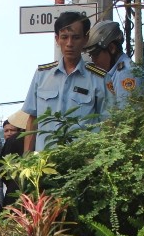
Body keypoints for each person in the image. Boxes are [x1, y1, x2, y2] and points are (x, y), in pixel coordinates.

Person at [21, 11, 109, 152]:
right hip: (45, 163)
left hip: (82, 163)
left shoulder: (99, 78)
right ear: (57, 39)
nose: (69, 44)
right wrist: (26, 158)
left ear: (85, 39)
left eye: (76, 38)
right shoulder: (42, 75)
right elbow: (33, 119)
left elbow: (107, 123)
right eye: (64, 37)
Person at [84, 19, 144, 110]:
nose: (94, 60)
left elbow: (125, 116)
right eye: (91, 55)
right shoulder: (113, 74)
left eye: (96, 54)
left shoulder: (125, 74)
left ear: (111, 48)